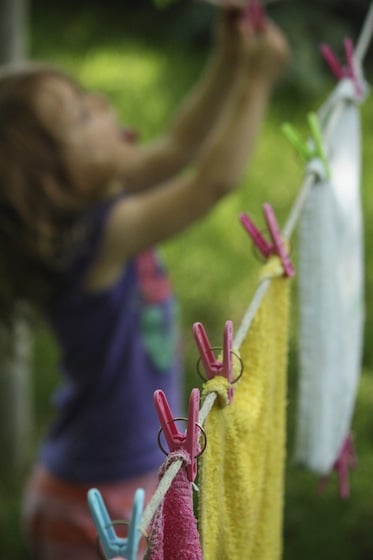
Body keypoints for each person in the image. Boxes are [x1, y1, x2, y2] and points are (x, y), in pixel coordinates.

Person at [0, 5, 289, 559]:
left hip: (95, 477)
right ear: (56, 186)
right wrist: (257, 83)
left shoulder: (91, 206)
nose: (102, 104)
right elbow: (211, 183)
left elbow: (181, 145)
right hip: (105, 500)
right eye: (82, 117)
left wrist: (229, 57)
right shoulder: (101, 236)